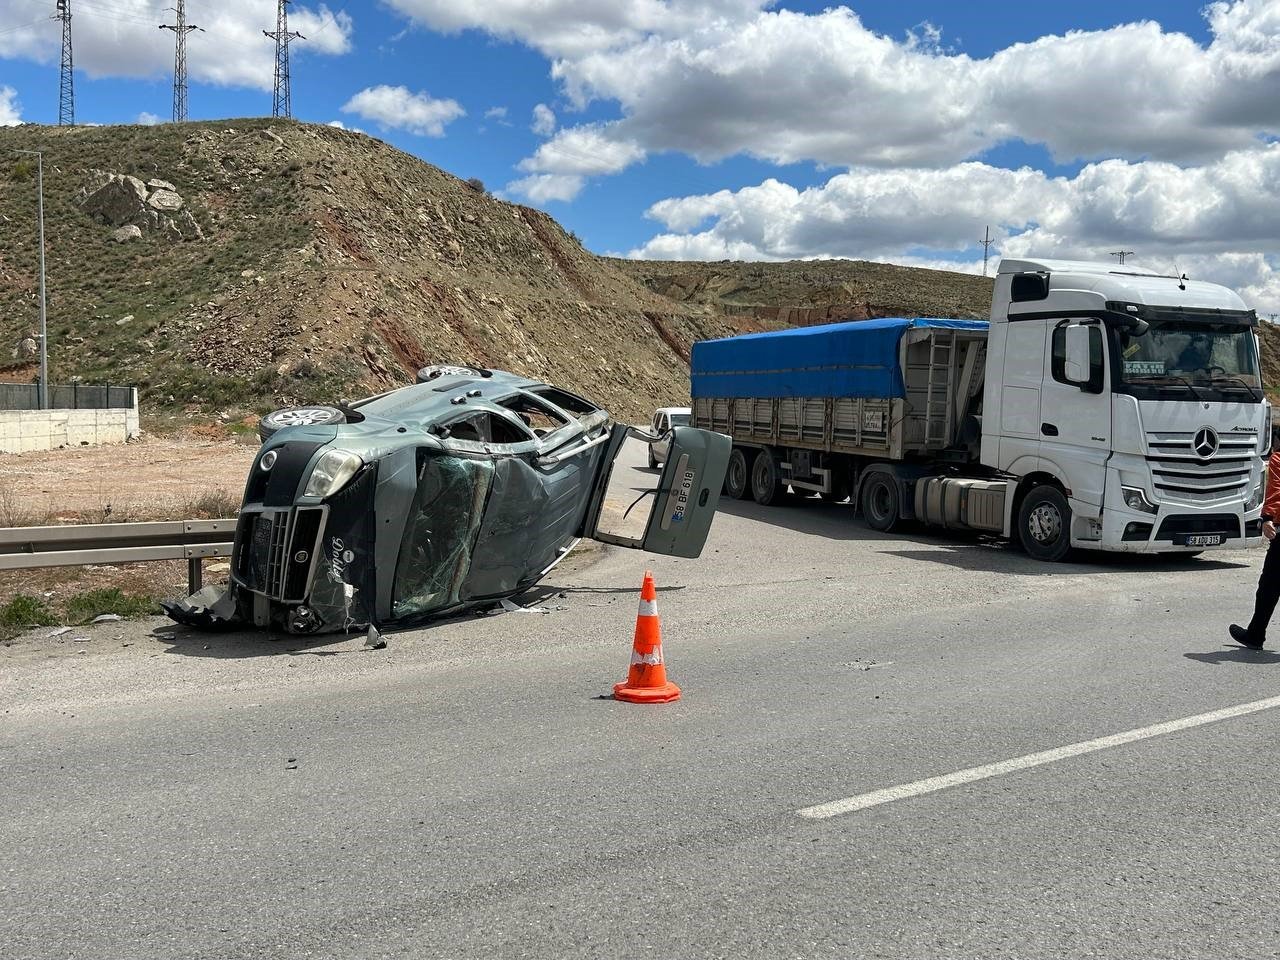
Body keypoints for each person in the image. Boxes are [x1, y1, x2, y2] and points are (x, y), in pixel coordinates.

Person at [1229, 423, 1280, 649]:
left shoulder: (1279, 460)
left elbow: (1276, 491)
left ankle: (1255, 635)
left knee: (1269, 585)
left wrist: (1267, 518)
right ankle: (1255, 633)